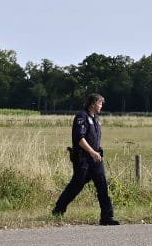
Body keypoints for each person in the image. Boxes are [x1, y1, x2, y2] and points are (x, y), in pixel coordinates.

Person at [51, 92, 119, 224]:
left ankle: (107, 217)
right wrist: (92, 152)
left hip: (96, 159)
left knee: (102, 186)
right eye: (100, 103)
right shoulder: (81, 117)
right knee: (76, 185)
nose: (101, 106)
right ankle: (58, 210)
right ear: (92, 103)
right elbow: (80, 138)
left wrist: (96, 153)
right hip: (83, 159)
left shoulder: (95, 119)